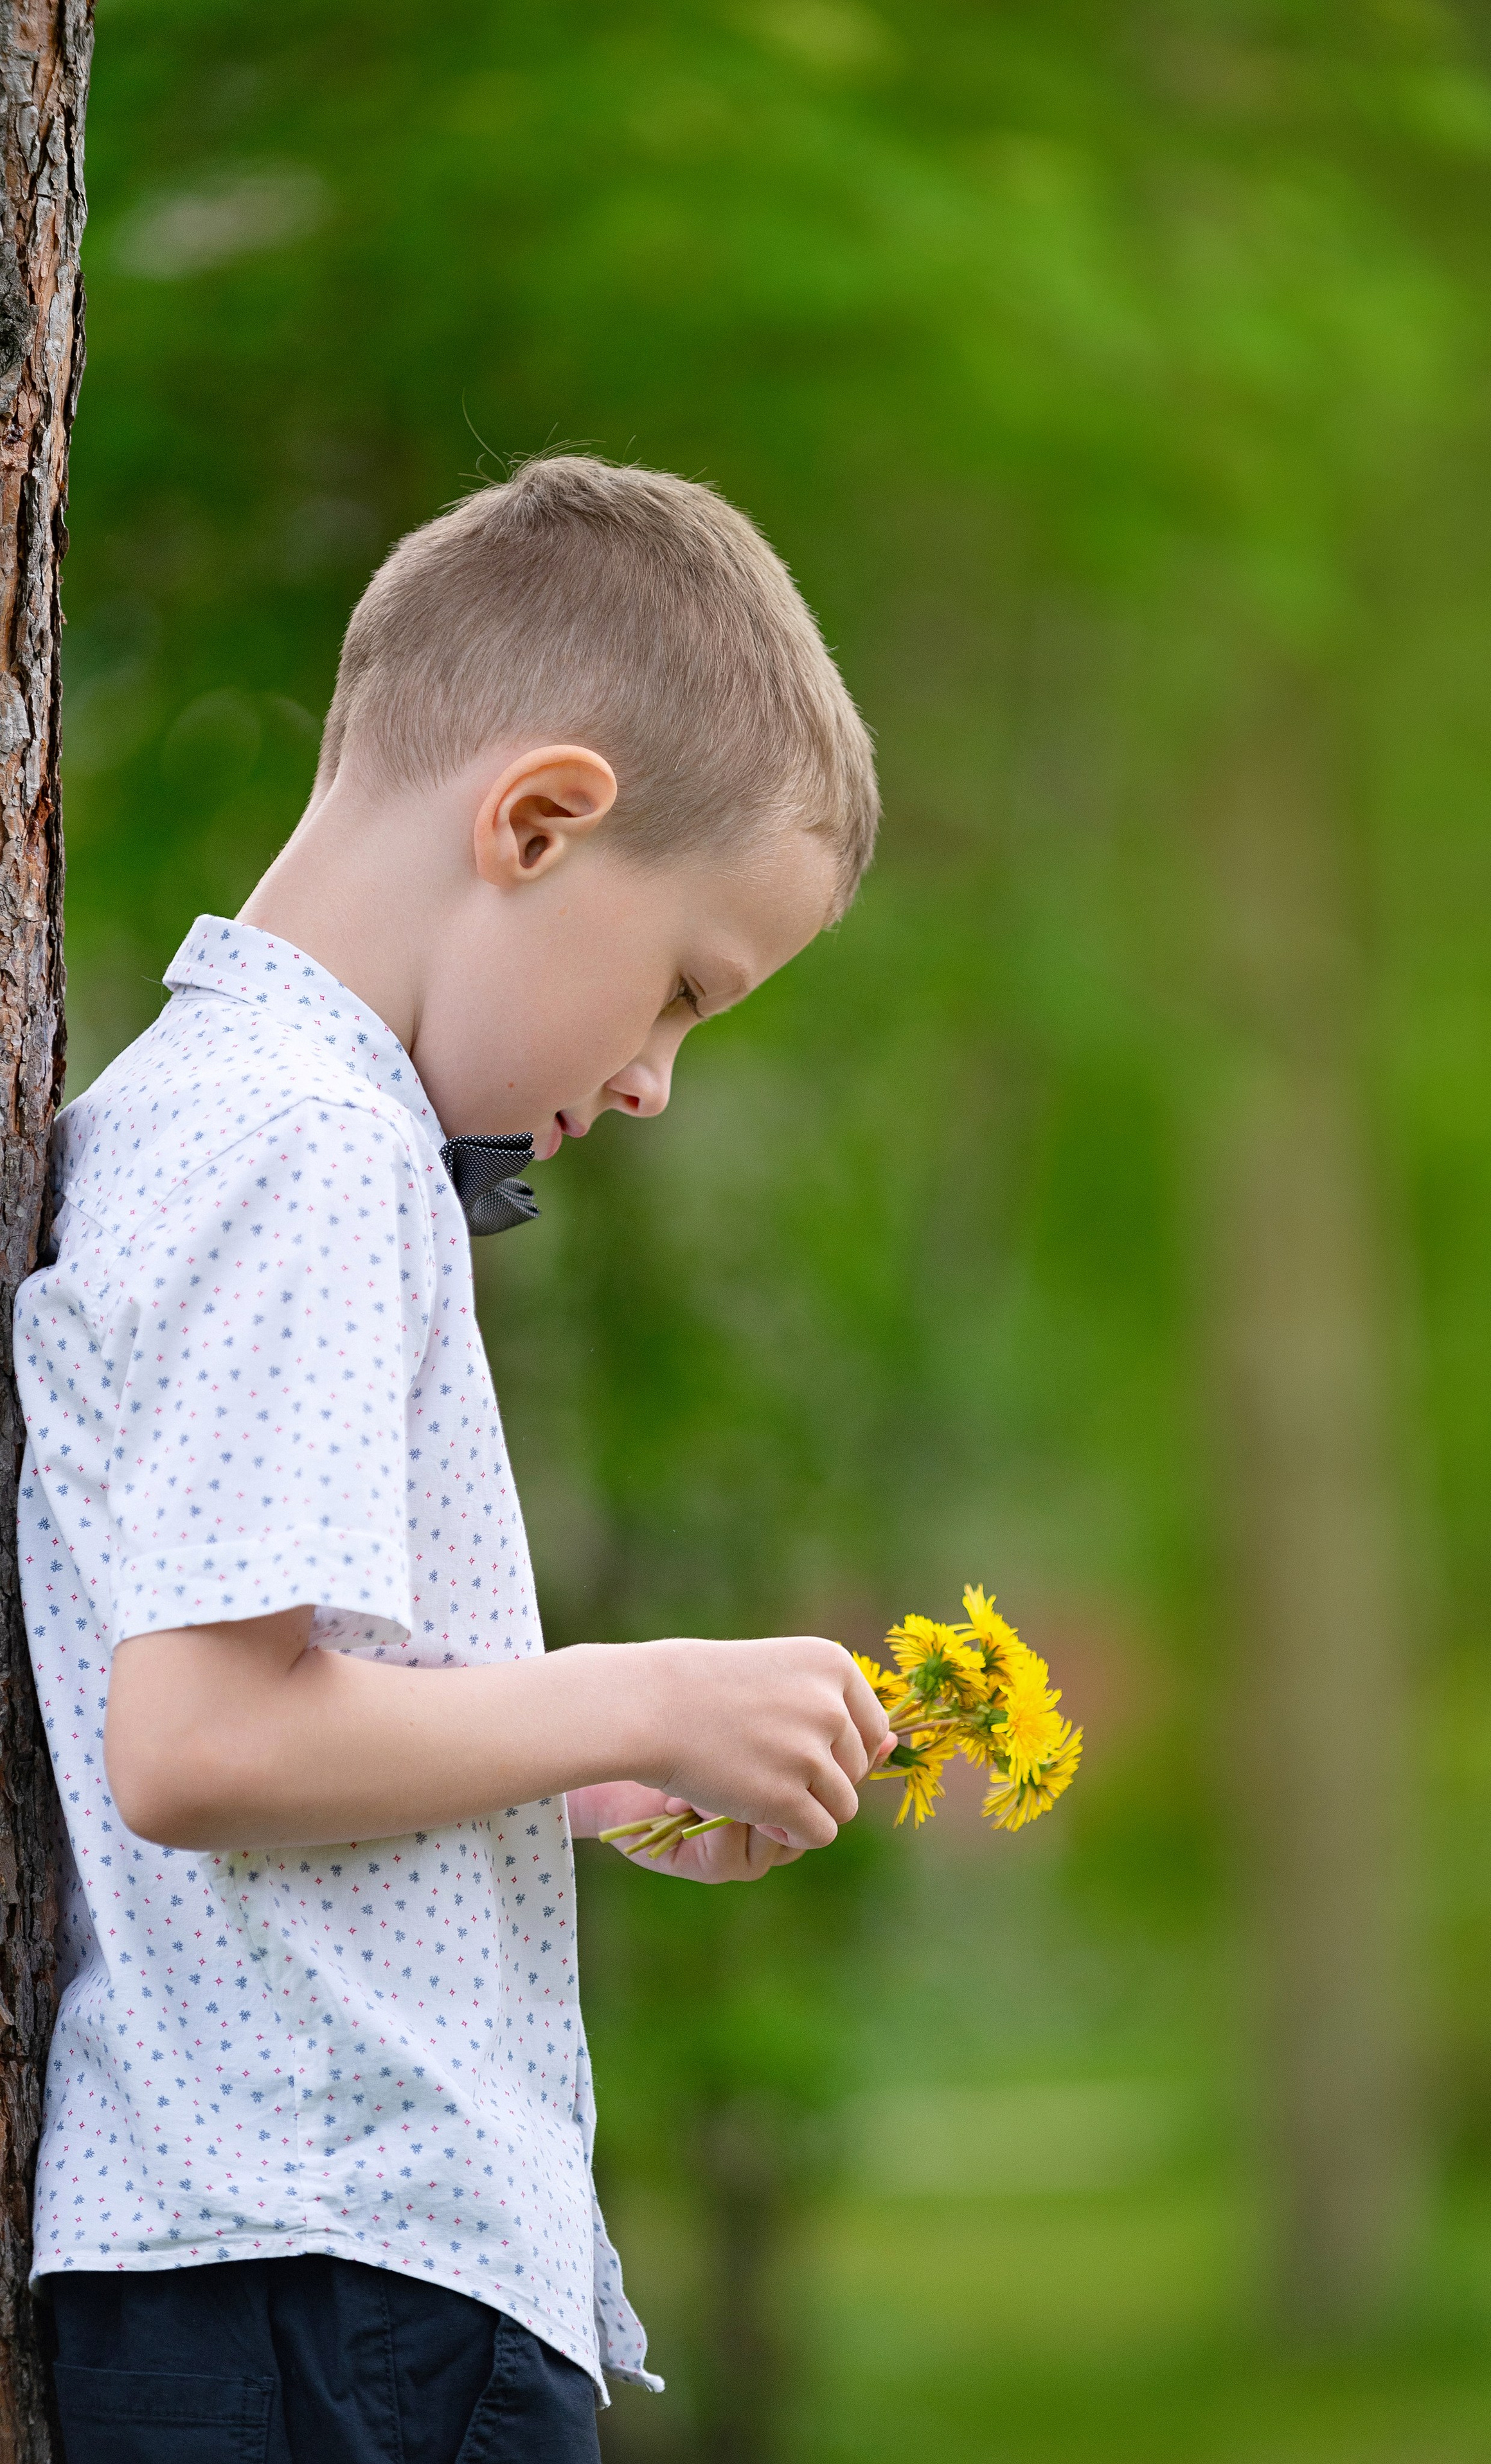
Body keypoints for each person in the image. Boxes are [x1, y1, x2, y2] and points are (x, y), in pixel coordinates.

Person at [16, 454, 890, 2463]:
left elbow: (285, 1725)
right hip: (333, 2289)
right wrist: (643, 1681)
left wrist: (599, 1776)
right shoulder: (308, 1150)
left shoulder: (262, 1130)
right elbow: (204, 1745)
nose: (660, 1078)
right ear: (537, 819)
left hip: (322, 2282)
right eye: (684, 985)